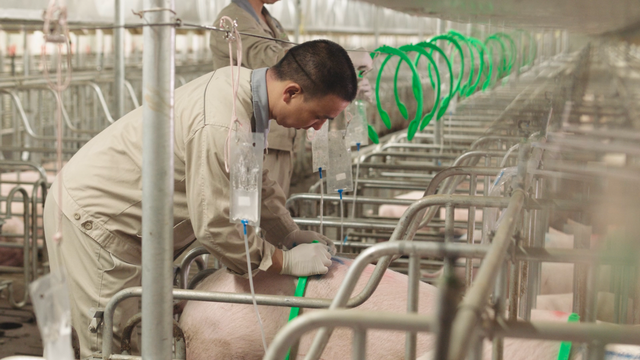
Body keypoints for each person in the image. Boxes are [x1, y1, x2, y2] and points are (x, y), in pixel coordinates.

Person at [43, 40, 357, 358]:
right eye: (319, 116)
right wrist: (282, 260)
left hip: (126, 225)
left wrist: (288, 233)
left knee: (132, 337)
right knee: (110, 345)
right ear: (291, 92)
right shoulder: (223, 122)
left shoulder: (244, 93)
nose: (317, 127)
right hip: (97, 222)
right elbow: (217, 226)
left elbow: (253, 180)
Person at [210, 0, 373, 196]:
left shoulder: (271, 22)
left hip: (278, 139)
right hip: (251, 138)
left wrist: (344, 82)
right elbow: (282, 62)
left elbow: (300, 70)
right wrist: (340, 58)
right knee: (253, 211)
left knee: (271, 205)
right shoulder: (232, 20)